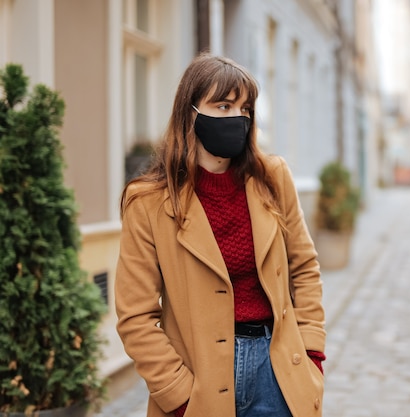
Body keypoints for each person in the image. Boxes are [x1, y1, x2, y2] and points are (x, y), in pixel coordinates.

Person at [115, 53, 326, 417]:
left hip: (278, 370)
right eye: (223, 105)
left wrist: (311, 353)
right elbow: (135, 314)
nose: (237, 118)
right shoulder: (148, 201)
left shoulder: (272, 179)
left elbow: (304, 269)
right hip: (198, 379)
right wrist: (177, 394)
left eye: (245, 109)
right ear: (191, 112)